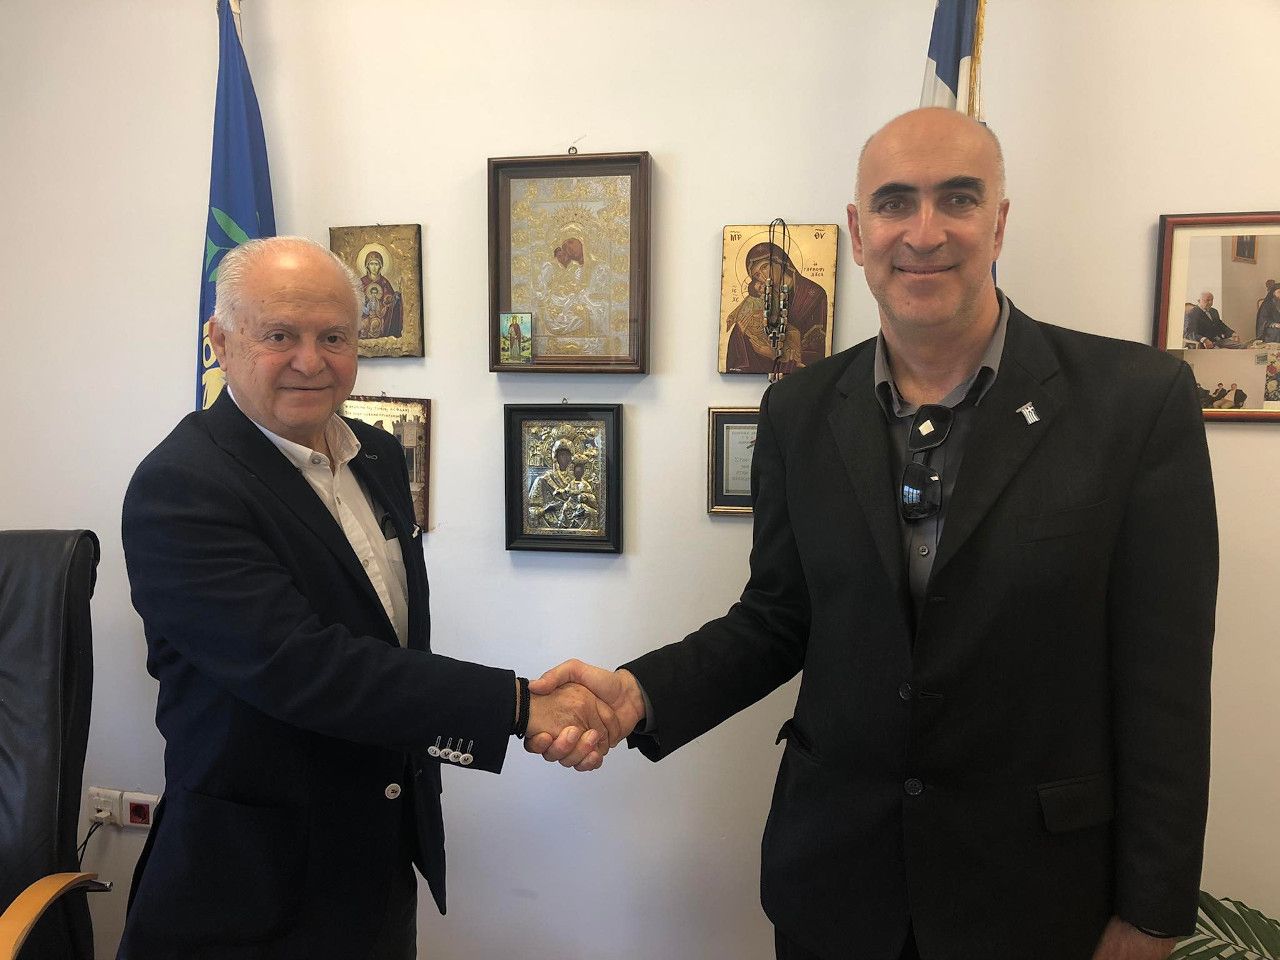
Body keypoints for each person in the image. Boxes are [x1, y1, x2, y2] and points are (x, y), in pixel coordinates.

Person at [532, 108, 1218, 960]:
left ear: (999, 221)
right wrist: (639, 693)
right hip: (837, 887)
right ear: (859, 234)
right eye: (895, 203)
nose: (923, 233)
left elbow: (1166, 683)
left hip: (1038, 897)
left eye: (957, 199)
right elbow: (778, 617)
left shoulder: (1135, 402)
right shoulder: (799, 408)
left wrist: (1152, 914)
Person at [119, 237, 617, 959]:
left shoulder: (375, 454)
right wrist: (517, 707)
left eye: (334, 337)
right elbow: (302, 666)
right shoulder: (182, 484)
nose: (311, 361)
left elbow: (385, 642)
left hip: (380, 864)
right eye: (279, 335)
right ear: (220, 342)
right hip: (249, 892)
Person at [723, 242, 830, 374]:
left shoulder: (813, 294)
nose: (763, 276)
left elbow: (816, 350)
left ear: (779, 261)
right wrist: (740, 331)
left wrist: (777, 355)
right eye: (757, 275)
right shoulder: (761, 298)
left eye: (764, 267)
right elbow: (738, 355)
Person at [359, 249, 403, 338]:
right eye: (371, 264)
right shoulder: (362, 282)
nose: (374, 267)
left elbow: (388, 297)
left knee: (375, 325)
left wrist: (390, 299)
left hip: (380, 315)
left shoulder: (384, 282)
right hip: (365, 314)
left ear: (380, 266)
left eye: (376, 264)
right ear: (367, 266)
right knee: (363, 325)